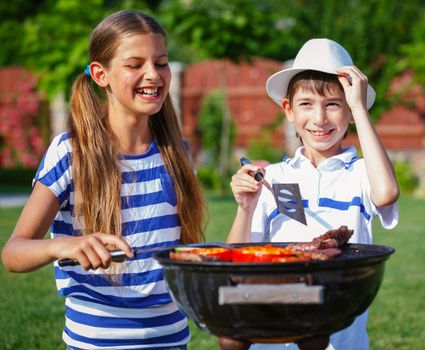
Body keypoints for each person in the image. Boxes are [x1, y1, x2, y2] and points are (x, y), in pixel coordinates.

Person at [1, 10, 207, 350]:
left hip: (172, 339)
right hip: (96, 342)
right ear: (101, 74)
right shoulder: (71, 153)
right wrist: (63, 246)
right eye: (134, 64)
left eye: (161, 62)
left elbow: (183, 250)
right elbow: (14, 252)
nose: (152, 75)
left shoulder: (177, 152)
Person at [226, 38, 400, 350]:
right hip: (275, 340)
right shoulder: (273, 177)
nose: (319, 119)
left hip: (344, 342)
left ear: (349, 113)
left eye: (333, 104)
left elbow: (386, 194)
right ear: (288, 110)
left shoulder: (362, 173)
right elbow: (235, 264)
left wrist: (360, 107)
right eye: (306, 104)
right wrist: (245, 206)